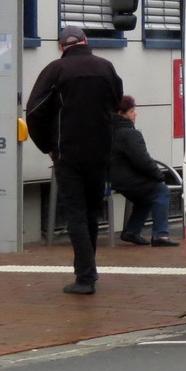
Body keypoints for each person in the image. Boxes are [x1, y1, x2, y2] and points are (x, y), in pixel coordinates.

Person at [25, 26, 122, 296]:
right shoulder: (106, 67)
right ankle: (88, 271)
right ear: (85, 41)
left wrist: (48, 146)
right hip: (100, 151)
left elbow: (34, 112)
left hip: (67, 153)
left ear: (61, 47)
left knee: (76, 214)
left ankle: (85, 277)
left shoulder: (55, 70)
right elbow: (116, 103)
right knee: (91, 211)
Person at [109, 95, 179, 248]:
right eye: (132, 111)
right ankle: (161, 235)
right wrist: (159, 176)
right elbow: (143, 161)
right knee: (160, 191)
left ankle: (132, 231)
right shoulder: (130, 134)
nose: (135, 114)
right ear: (122, 112)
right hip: (124, 179)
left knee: (145, 197)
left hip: (108, 179)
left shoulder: (104, 131)